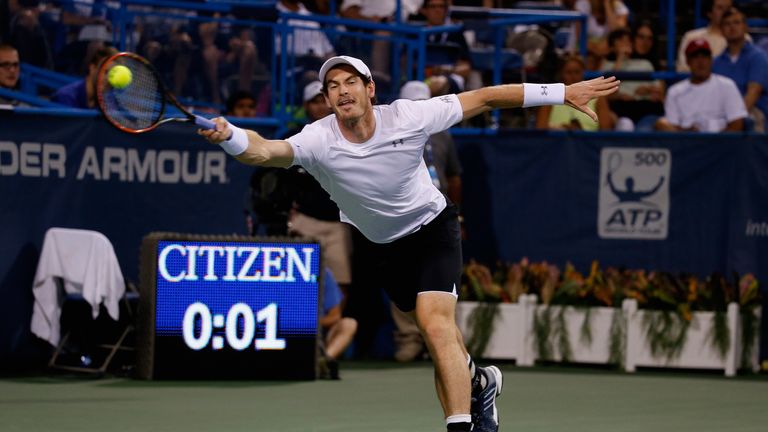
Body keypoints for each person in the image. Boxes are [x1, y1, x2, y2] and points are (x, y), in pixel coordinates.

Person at [200, 54, 619, 432]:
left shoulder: (409, 115)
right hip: (381, 244)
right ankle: (481, 380)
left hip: (433, 226)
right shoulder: (317, 139)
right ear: (327, 100)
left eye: (350, 82)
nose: (342, 91)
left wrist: (563, 92)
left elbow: (488, 97)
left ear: (369, 90)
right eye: (332, 86)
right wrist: (232, 135)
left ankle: (461, 427)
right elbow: (263, 151)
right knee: (434, 331)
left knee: (435, 326)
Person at [391, 80, 464, 363]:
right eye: (413, 102)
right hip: (404, 218)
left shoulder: (443, 133)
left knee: (441, 286)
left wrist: (460, 213)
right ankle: (409, 340)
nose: (420, 107)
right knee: (406, 286)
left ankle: (447, 346)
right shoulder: (392, 132)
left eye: (424, 101)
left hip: (440, 216)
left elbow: (455, 176)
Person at [656, 39, 746, 133]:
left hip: (720, 143)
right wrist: (687, 133)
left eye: (705, 56)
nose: (700, 61)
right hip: (686, 143)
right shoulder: (675, 91)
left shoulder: (727, 86)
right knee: (661, 124)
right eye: (695, 57)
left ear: (711, 60)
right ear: (688, 61)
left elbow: (737, 124)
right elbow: (672, 128)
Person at [712, 7, 768, 132]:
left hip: (752, 113)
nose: (732, 27)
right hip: (723, 114)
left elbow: (752, 95)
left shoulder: (758, 57)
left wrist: (732, 122)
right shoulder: (716, 62)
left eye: (737, 23)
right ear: (721, 30)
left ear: (745, 27)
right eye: (727, 24)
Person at [536, 54, 615, 131]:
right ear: (560, 74)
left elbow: (606, 131)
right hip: (556, 142)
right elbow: (540, 130)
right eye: (569, 72)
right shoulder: (550, 97)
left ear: (582, 73)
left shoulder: (598, 98)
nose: (573, 76)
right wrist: (561, 128)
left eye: (577, 72)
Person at [675, 0, 751, 73]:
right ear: (709, 13)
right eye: (720, 8)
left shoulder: (743, 38)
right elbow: (682, 69)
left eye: (728, 8)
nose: (725, 12)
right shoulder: (692, 37)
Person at [318, 267, 358, 379]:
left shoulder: (324, 273)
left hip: (320, 335)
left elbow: (335, 316)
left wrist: (310, 324)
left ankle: (324, 361)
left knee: (349, 323)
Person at [51, 46, 116, 109]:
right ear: (92, 68)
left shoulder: (108, 102)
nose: (108, 79)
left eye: (112, 74)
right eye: (105, 72)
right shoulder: (65, 97)